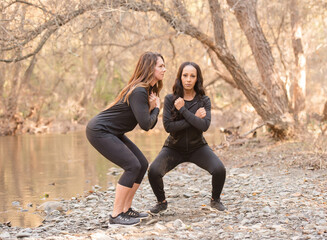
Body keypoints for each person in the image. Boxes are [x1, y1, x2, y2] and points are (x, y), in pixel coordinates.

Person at [86, 52, 166, 226]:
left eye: (163, 66)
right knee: (132, 165)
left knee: (142, 164)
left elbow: (148, 125)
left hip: (113, 132)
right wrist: (155, 108)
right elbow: (146, 125)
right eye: (160, 66)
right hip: (100, 130)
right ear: (149, 68)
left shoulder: (146, 91)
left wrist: (153, 108)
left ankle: (126, 210)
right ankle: (116, 215)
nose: (164, 69)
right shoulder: (139, 91)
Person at [148, 62, 226, 214]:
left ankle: (215, 200)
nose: (188, 79)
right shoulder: (171, 99)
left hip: (198, 147)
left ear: (197, 79)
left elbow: (204, 126)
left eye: (192, 76)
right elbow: (168, 127)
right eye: (185, 75)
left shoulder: (204, 100)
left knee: (219, 170)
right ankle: (161, 202)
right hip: (173, 147)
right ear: (180, 77)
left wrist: (183, 110)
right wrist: (194, 118)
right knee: (153, 171)